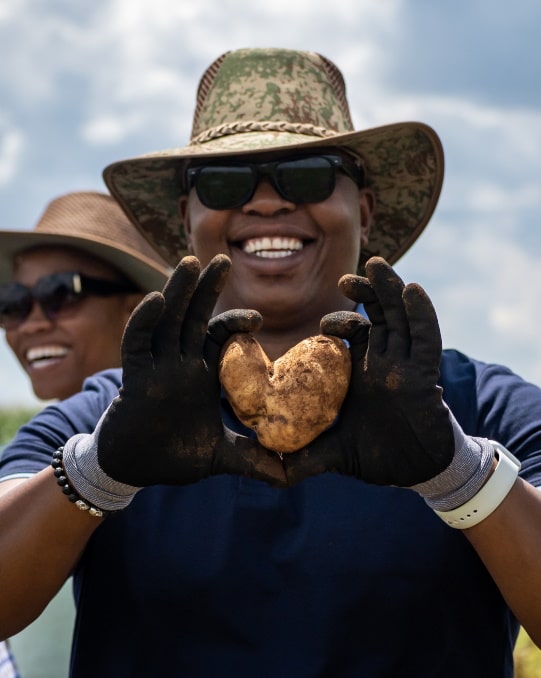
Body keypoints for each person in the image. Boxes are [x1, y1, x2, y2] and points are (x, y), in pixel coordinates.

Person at [0, 48, 540, 678]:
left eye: (306, 174)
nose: (264, 204)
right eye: (224, 181)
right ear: (187, 219)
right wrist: (100, 473)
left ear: (362, 210)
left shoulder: (482, 407)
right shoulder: (109, 416)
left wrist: (459, 475)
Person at [0, 190, 170, 677]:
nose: (30, 323)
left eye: (61, 294)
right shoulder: (46, 441)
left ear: (138, 311)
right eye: (12, 304)